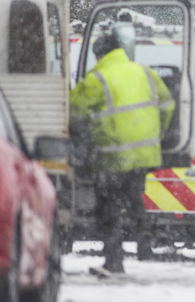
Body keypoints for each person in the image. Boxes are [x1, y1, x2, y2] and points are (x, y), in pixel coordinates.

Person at [70, 26, 174, 273]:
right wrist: (158, 134)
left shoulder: (96, 79)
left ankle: (114, 259)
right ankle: (145, 249)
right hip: (144, 153)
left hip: (112, 154)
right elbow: (168, 105)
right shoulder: (144, 72)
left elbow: (73, 112)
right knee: (135, 199)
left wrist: (83, 142)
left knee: (109, 207)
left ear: (99, 56)